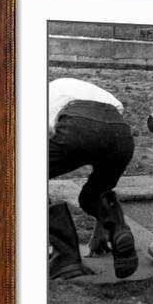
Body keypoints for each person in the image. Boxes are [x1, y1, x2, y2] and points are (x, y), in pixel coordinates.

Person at [48, 77, 138, 280]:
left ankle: (65, 257)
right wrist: (101, 230)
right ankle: (118, 229)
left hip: (78, 125)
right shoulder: (86, 90)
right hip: (121, 134)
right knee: (93, 195)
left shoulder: (44, 96)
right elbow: (104, 134)